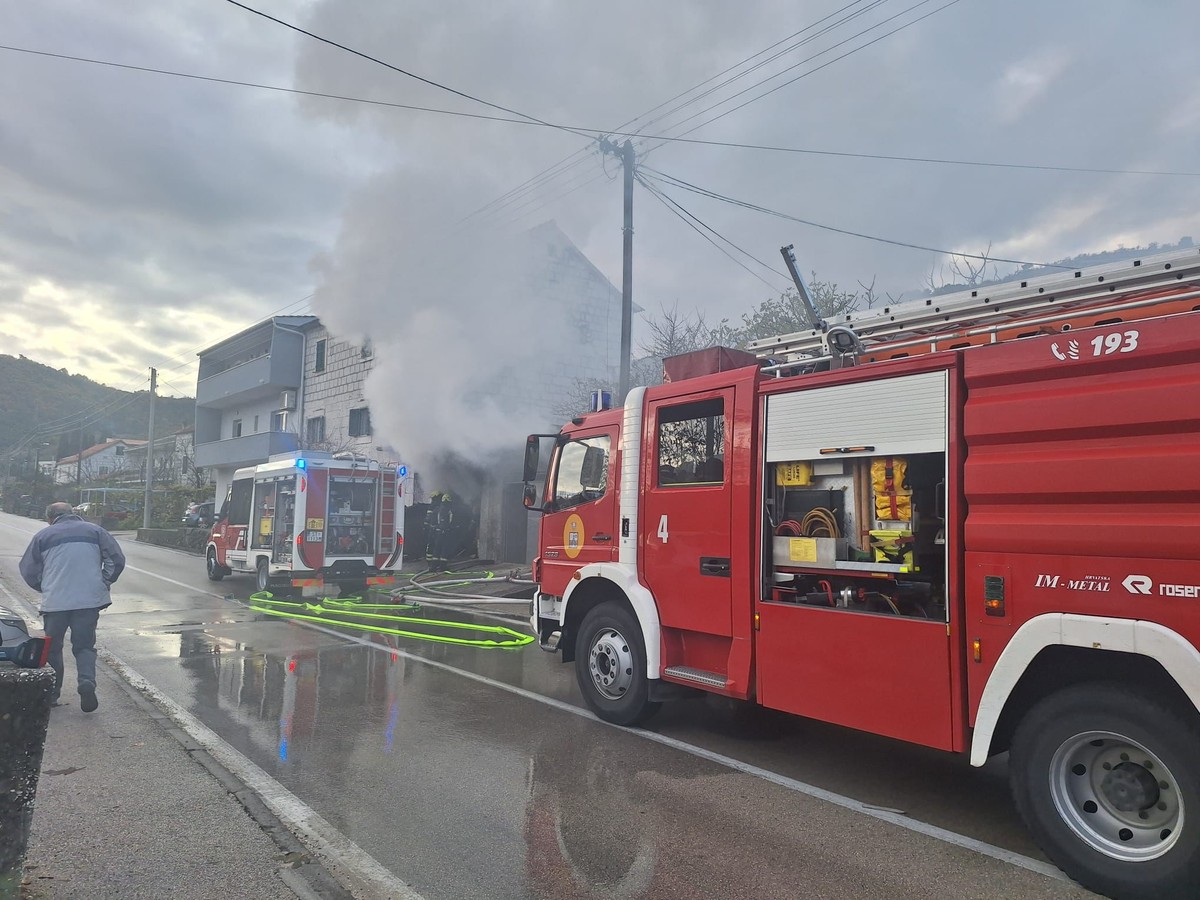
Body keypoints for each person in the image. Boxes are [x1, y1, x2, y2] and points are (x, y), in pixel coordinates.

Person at [19, 500, 126, 712]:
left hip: (55, 603)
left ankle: (52, 694)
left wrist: (45, 587)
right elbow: (116, 560)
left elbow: (28, 570)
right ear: (74, 513)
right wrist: (103, 581)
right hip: (88, 602)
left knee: (52, 649)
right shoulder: (96, 531)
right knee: (84, 646)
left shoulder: (43, 536)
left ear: (50, 518)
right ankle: (86, 682)